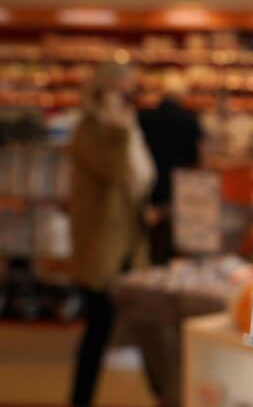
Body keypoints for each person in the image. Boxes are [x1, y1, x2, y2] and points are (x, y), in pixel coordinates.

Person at [69, 63, 155, 406]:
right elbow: (115, 170)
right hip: (100, 245)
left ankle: (166, 394)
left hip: (128, 243)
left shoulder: (126, 127)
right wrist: (120, 130)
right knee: (98, 328)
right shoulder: (91, 131)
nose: (128, 100)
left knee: (143, 323)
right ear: (102, 92)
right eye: (122, 91)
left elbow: (142, 176)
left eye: (131, 92)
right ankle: (80, 398)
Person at [139, 73, 202, 264]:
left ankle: (149, 263)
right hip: (178, 183)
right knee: (173, 234)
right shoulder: (188, 119)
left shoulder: (145, 117)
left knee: (148, 230)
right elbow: (197, 156)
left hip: (150, 180)